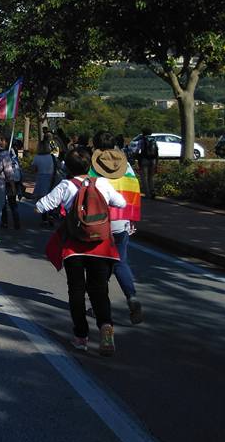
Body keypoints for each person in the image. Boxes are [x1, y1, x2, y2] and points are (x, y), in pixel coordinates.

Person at [35, 147, 126, 356]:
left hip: (74, 247)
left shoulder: (66, 185)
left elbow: (41, 206)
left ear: (67, 166)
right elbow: (121, 203)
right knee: (99, 290)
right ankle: (105, 327)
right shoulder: (102, 183)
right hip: (101, 247)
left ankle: (81, 336)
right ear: (90, 165)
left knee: (76, 291)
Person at [90, 132, 144, 324]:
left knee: (98, 266)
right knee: (120, 262)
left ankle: (99, 305)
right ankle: (132, 298)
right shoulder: (126, 166)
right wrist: (131, 217)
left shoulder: (94, 166)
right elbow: (134, 191)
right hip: (122, 223)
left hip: (99, 223)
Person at [31, 139, 57, 227]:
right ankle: (51, 214)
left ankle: (44, 218)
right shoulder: (52, 157)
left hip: (41, 178)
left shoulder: (37, 157)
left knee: (42, 199)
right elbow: (60, 166)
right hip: (52, 179)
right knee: (51, 197)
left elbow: (33, 169)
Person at [1, 140, 23, 230]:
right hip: (13, 181)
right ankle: (15, 223)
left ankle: (5, 222)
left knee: (5, 204)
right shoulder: (15, 158)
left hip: (8, 181)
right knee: (12, 203)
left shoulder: (5, 157)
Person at [137, 127, 158, 199]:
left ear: (143, 133)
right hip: (153, 160)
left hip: (144, 160)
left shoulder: (141, 140)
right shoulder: (154, 140)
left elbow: (138, 151)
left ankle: (147, 193)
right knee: (151, 177)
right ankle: (153, 191)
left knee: (144, 177)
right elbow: (157, 151)